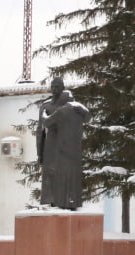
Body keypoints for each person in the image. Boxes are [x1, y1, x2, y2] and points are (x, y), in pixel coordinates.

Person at [36, 76, 90, 210]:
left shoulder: (71, 104)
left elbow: (87, 117)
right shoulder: (46, 105)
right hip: (50, 144)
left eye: (57, 87)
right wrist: (40, 152)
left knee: (64, 173)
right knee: (50, 173)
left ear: (63, 88)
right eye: (53, 86)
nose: (54, 89)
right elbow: (40, 129)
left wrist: (82, 111)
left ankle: (66, 201)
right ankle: (52, 201)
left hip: (66, 145)